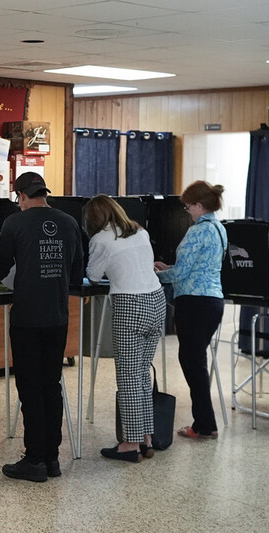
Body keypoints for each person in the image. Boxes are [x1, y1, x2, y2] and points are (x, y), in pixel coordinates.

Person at [0, 172, 83, 482]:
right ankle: (52, 459)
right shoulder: (69, 222)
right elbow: (76, 273)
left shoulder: (15, 223)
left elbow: (1, 268)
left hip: (27, 317)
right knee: (51, 385)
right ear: (44, 193)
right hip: (58, 316)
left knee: (30, 388)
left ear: (20, 196)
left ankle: (34, 460)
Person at [83, 195, 166, 462]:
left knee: (128, 376)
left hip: (131, 304)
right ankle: (146, 438)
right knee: (142, 373)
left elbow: (94, 276)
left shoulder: (101, 239)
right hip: (157, 300)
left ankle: (130, 444)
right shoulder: (140, 231)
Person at [155, 180, 227, 440]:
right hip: (213, 301)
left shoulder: (197, 232)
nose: (187, 212)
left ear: (198, 205)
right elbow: (196, 268)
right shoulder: (219, 228)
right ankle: (206, 423)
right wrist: (169, 269)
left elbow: (182, 272)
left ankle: (204, 426)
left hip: (194, 303)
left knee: (192, 364)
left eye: (187, 207)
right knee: (196, 363)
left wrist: (156, 274)